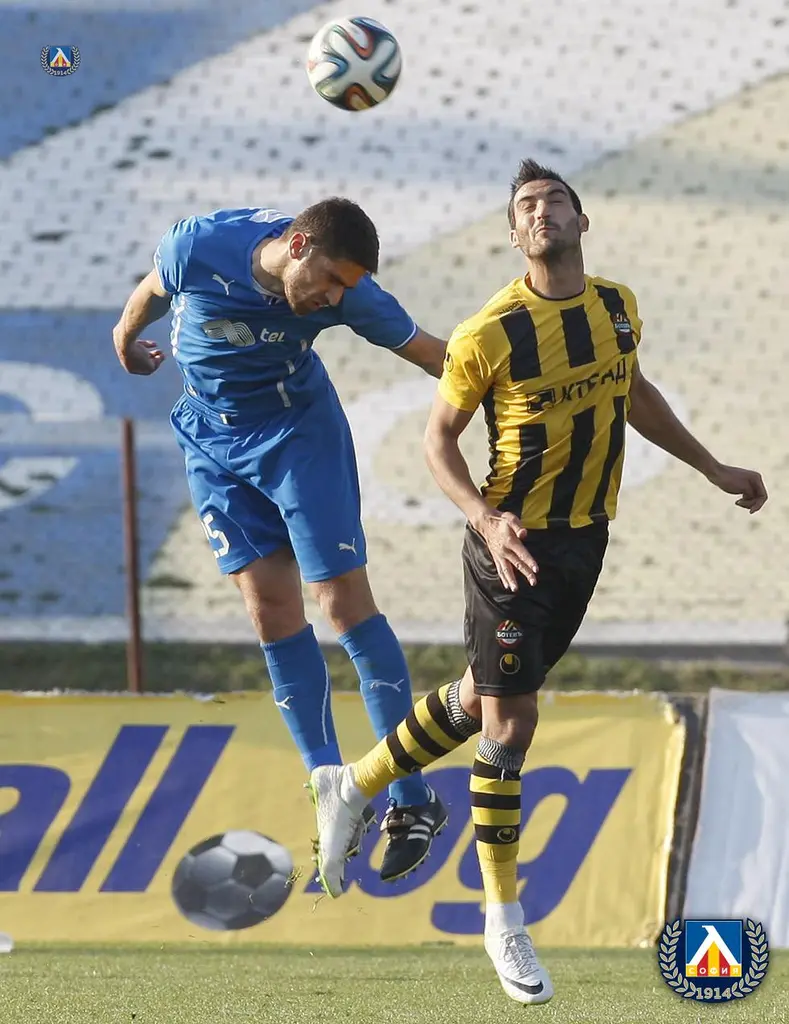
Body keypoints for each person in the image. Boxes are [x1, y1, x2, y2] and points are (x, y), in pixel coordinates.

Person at [306, 160, 768, 1004]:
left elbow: (632, 393)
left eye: (555, 198)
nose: (542, 209)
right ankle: (503, 922)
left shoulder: (616, 308)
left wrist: (709, 466)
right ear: (515, 234)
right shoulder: (489, 331)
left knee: (480, 696)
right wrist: (485, 520)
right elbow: (437, 442)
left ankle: (354, 782)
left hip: (583, 542)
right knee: (510, 723)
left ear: (580, 222)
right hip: (510, 545)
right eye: (526, 204)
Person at [112, 198, 449, 882]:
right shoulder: (198, 245)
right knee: (269, 608)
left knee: (340, 603)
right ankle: (329, 783)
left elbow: (433, 354)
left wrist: (526, 394)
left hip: (298, 436)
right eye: (329, 281)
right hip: (210, 439)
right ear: (297, 246)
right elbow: (154, 288)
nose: (333, 297)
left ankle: (411, 798)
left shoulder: (353, 296)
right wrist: (125, 341)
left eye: (345, 289)